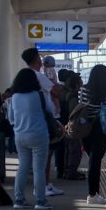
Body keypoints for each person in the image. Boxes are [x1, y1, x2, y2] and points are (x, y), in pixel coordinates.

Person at [21, 48, 64, 197]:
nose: (41, 60)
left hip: (33, 120)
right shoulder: (39, 76)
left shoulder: (27, 76)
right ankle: (42, 187)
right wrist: (54, 79)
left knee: (38, 157)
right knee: (46, 155)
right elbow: (56, 91)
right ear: (35, 59)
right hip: (46, 118)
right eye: (39, 58)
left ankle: (45, 185)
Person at [8, 69, 52, 209]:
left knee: (22, 168)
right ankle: (40, 201)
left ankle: (19, 200)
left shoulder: (14, 97)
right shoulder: (38, 95)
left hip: (20, 136)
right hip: (38, 135)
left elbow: (11, 119)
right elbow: (50, 110)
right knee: (39, 168)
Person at [79, 64, 106, 205]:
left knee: (92, 160)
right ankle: (93, 195)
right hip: (101, 129)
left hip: (85, 129)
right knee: (95, 162)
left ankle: (93, 194)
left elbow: (81, 107)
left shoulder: (82, 90)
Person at [60, 72, 85, 179]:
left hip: (64, 126)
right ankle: (71, 172)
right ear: (75, 84)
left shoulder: (66, 94)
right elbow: (73, 113)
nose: (81, 87)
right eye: (79, 84)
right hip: (70, 127)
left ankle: (66, 171)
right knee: (74, 150)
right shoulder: (72, 97)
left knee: (68, 150)